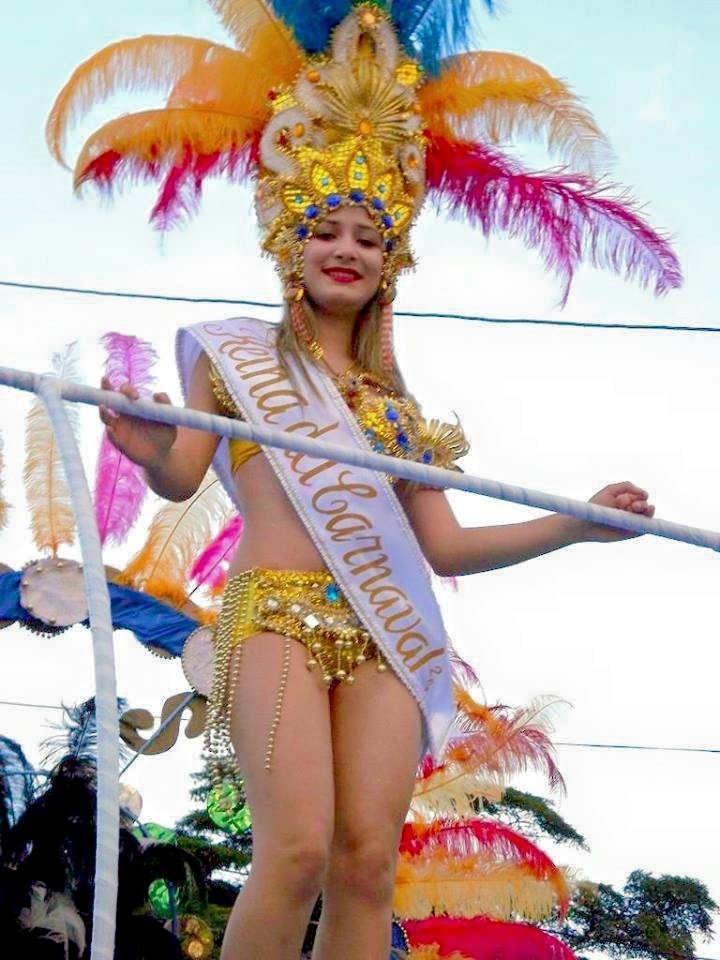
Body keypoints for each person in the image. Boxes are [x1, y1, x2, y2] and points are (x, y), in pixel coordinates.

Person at [52, 4, 673, 958]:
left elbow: (445, 546)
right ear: (292, 248)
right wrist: (143, 448)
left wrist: (574, 525)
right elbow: (182, 477)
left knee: (364, 863)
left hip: (386, 634)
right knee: (295, 850)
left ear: (392, 263)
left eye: (369, 238)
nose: (347, 249)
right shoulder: (229, 360)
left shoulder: (398, 409)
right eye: (327, 231)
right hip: (271, 618)